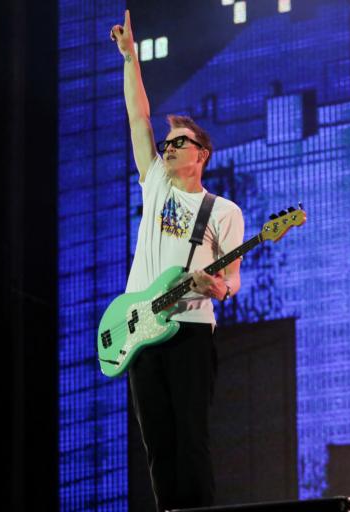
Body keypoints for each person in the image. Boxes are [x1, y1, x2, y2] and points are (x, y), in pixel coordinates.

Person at [111, 10, 244, 511]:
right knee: (157, 445)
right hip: (141, 326)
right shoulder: (156, 184)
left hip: (189, 328)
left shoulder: (223, 210)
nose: (167, 148)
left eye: (178, 143)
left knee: (191, 441)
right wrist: (131, 61)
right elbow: (136, 116)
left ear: (202, 153)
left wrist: (218, 289)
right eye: (166, 144)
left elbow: (232, 281)